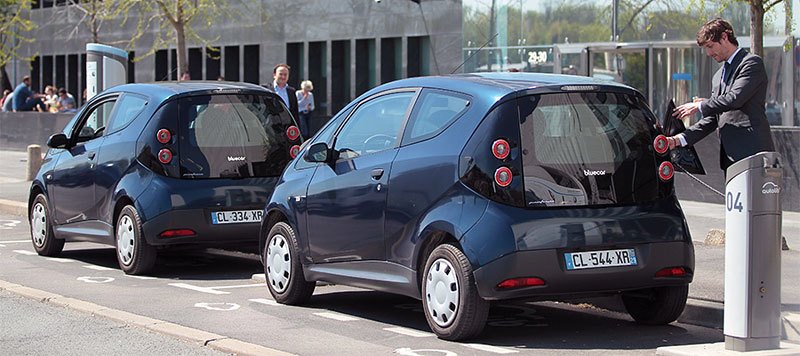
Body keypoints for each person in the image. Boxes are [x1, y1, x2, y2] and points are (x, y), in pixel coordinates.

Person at [667, 18, 774, 171]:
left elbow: (734, 99)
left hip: (753, 154)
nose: (709, 53)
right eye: (705, 48)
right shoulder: (718, 76)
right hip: (730, 158)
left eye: (710, 46)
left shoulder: (751, 63)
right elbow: (712, 119)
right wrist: (678, 139)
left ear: (725, 37)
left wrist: (699, 105)